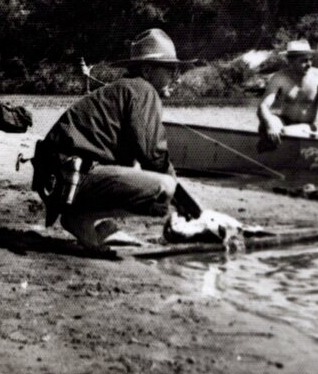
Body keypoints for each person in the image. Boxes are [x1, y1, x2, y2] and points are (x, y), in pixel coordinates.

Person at [32, 28, 198, 253]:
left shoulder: (123, 89)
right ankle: (81, 219)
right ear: (147, 70)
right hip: (70, 178)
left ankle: (89, 220)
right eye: (170, 69)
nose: (176, 76)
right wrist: (183, 200)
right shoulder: (144, 90)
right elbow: (153, 156)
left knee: (138, 170)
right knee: (164, 189)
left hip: (56, 179)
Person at [257, 39, 318, 151]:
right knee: (264, 124)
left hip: (311, 127)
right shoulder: (280, 77)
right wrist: (269, 124)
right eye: (304, 61)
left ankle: (279, 152)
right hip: (286, 121)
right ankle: (269, 155)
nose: (309, 64)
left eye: (310, 60)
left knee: (286, 132)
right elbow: (263, 106)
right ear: (291, 62)